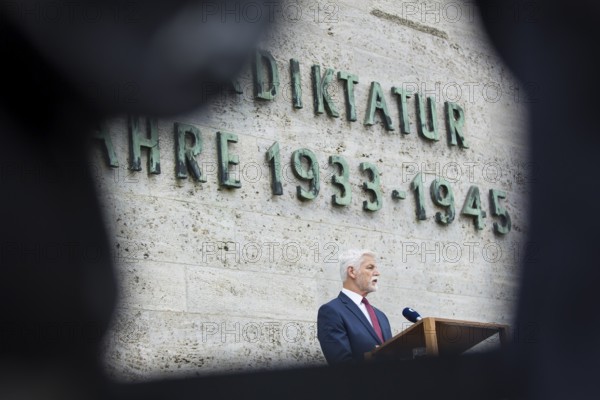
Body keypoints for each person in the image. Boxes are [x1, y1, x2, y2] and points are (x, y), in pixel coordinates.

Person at [317, 249, 393, 365]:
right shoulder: (331, 312)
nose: (377, 273)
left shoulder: (381, 316)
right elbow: (341, 365)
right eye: (370, 267)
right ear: (352, 272)